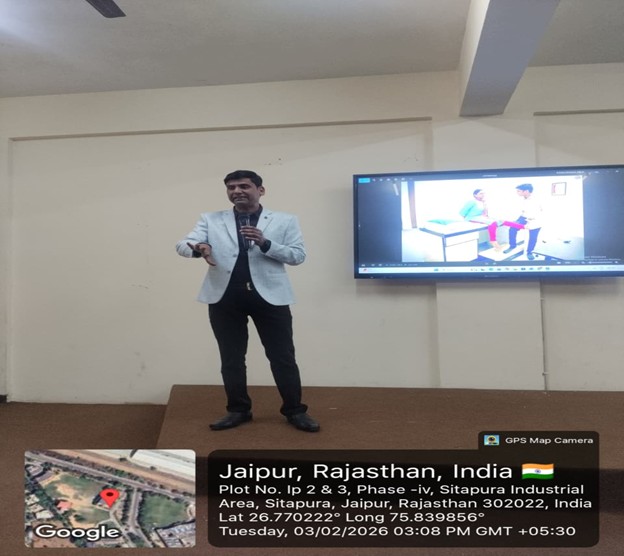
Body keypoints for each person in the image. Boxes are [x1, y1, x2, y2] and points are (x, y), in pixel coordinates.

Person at [176, 170, 319, 432]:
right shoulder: (210, 219)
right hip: (225, 298)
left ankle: (295, 410)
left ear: (260, 190)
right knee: (231, 358)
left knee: (282, 357)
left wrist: (266, 243)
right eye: (231, 187)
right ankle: (238, 409)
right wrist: (198, 248)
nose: (237, 191)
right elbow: (183, 244)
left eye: (244, 186)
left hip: (270, 298)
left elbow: (298, 256)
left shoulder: (285, 220)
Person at [502, 183, 543, 260]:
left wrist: (530, 222)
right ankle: (512, 246)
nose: (517, 193)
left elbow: (542, 212)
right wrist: (517, 220)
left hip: (536, 219)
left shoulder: (538, 199)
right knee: (512, 229)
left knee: (533, 236)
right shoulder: (523, 198)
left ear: (526, 191)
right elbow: (522, 211)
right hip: (523, 217)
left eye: (519, 191)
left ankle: (530, 252)